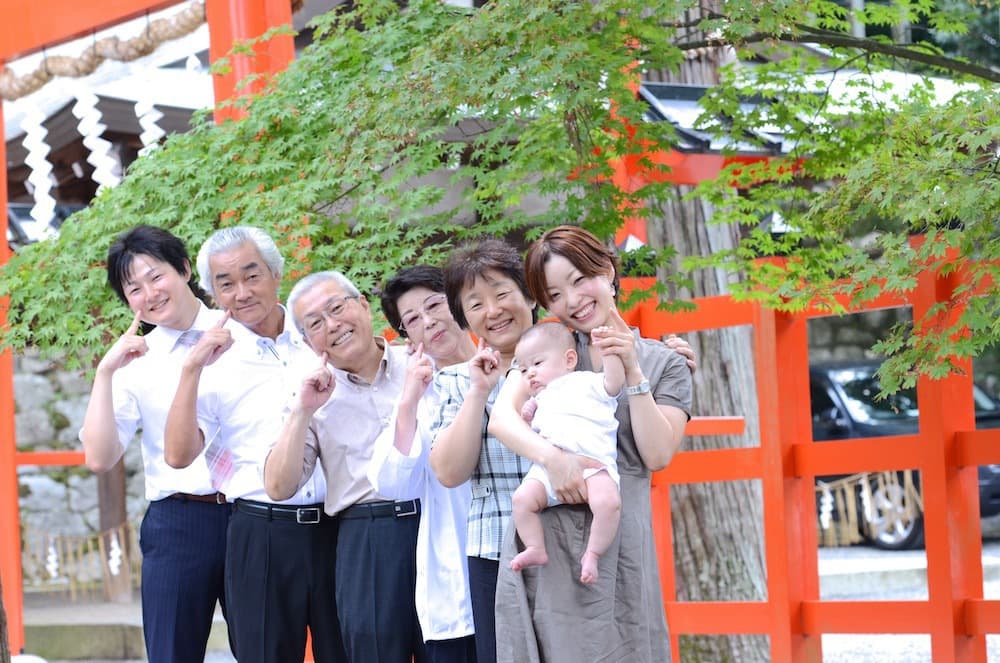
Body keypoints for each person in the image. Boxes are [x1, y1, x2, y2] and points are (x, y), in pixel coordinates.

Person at [489, 225, 692, 662]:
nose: (573, 301)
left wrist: (634, 370)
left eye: (580, 280)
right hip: (548, 534)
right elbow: (503, 420)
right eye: (556, 295)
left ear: (607, 269)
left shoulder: (666, 363)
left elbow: (657, 454)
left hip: (618, 535)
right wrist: (555, 461)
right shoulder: (551, 348)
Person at [162, 226, 345, 663]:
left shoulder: (318, 335)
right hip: (260, 531)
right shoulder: (210, 358)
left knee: (347, 650)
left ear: (276, 273)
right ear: (211, 293)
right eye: (225, 283)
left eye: (252, 275)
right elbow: (178, 454)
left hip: (339, 525)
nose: (241, 292)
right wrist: (191, 370)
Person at [79, 225, 233, 663]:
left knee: (268, 648)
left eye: (156, 276)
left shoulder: (243, 332)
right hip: (179, 522)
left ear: (184, 269)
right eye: (134, 288)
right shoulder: (134, 363)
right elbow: (99, 457)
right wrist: (105, 374)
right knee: (171, 653)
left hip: (252, 515)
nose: (149, 293)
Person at [264, 271, 426, 663]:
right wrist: (303, 409)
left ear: (364, 306)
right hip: (366, 535)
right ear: (306, 341)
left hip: (434, 521)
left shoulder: (420, 363)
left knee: (451, 650)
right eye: (315, 323)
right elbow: (278, 486)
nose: (332, 325)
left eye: (337, 308)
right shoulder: (309, 392)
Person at [366, 265, 478, 663]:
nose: (429, 322)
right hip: (455, 576)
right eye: (413, 319)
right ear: (405, 335)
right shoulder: (421, 400)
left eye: (435, 305)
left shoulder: (515, 369)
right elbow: (392, 483)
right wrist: (409, 399)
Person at [508, 321, 624, 585]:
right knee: (522, 500)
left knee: (608, 503)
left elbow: (614, 382)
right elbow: (532, 441)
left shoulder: (585, 382)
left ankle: (593, 553)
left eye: (537, 364)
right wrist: (527, 419)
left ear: (569, 359)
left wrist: (610, 352)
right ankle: (535, 547)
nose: (530, 374)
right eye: (523, 369)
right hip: (549, 469)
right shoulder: (537, 401)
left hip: (593, 464)